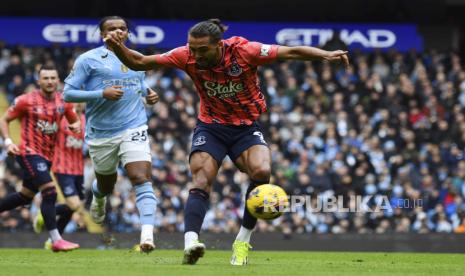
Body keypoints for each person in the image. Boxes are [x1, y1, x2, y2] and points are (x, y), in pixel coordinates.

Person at [104, 18, 349, 265]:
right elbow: (140, 62)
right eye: (192, 48)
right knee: (201, 179)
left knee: (262, 171)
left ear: (219, 45)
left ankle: (242, 241)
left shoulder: (245, 51)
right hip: (211, 127)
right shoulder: (185, 55)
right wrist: (117, 47)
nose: (196, 55)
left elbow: (291, 51)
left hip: (245, 128)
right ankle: (191, 244)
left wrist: (325, 55)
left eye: (202, 50)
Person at [63, 15, 160, 253]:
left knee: (141, 178)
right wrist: (100, 94)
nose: (118, 31)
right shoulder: (88, 59)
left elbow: (137, 82)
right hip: (101, 132)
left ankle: (147, 236)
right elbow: (68, 94)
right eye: (112, 28)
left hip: (134, 126)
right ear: (102, 34)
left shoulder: (136, 58)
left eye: (122, 28)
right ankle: (98, 198)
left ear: (127, 33)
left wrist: (148, 93)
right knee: (106, 183)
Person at [0, 64, 81, 252]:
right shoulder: (25, 100)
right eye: (46, 78)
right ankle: (56, 240)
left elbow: (73, 120)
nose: (50, 81)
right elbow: (4, 120)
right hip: (28, 152)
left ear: (58, 80)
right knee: (50, 191)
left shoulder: (64, 101)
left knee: (25, 196)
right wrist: (8, 142)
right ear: (39, 81)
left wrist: (75, 125)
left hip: (47, 157)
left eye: (53, 78)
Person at [33, 103, 86, 249]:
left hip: (79, 169)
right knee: (73, 204)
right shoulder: (61, 119)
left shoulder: (86, 120)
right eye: (76, 100)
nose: (80, 103)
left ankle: (53, 240)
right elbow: (46, 130)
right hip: (62, 167)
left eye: (82, 100)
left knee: (75, 206)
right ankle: (45, 212)